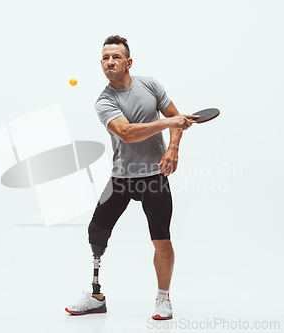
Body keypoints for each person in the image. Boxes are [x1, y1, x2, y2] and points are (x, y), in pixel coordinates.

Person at [65, 35, 198, 320]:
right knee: (96, 232)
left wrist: (173, 148)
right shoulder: (104, 101)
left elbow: (177, 118)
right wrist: (167, 123)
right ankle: (96, 296)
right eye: (104, 58)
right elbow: (127, 132)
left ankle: (163, 299)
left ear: (128, 62)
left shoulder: (150, 84)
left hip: (154, 177)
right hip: (122, 178)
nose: (109, 62)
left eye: (115, 57)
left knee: (161, 239)